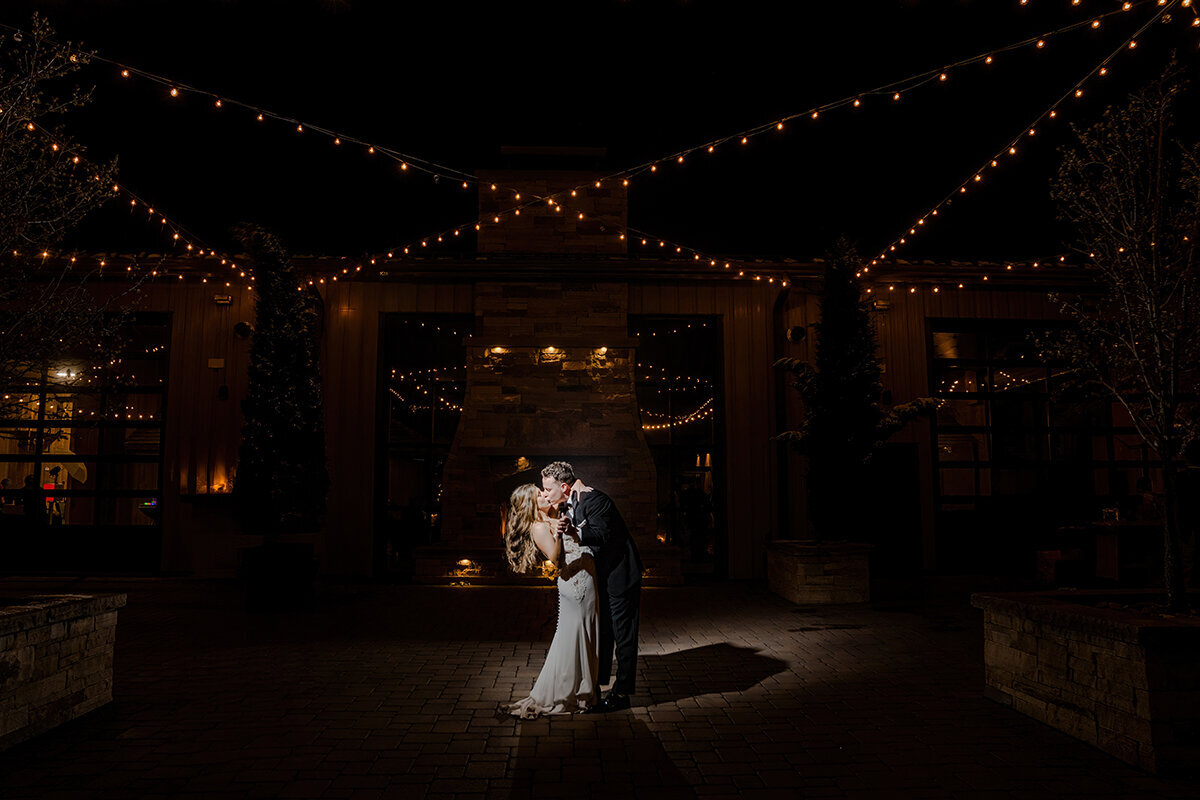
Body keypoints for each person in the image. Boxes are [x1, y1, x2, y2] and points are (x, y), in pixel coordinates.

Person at [542, 460, 643, 713]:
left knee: (624, 636)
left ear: (564, 486)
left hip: (621, 575)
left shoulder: (595, 500)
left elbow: (602, 535)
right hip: (600, 577)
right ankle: (597, 685)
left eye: (549, 490)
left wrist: (574, 532)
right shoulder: (569, 502)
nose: (546, 494)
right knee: (604, 632)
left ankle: (622, 693)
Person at [502, 483, 599, 717]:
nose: (545, 495)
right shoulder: (538, 527)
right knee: (572, 636)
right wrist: (558, 534)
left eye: (543, 490)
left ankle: (582, 687)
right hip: (573, 582)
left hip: (586, 577)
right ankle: (573, 693)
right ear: (532, 504)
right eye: (539, 494)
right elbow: (555, 559)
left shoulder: (554, 514)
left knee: (583, 635)